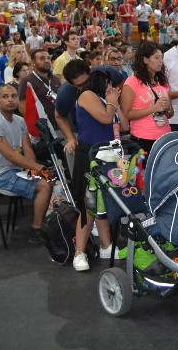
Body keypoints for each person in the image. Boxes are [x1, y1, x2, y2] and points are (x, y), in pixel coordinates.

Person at [0, 84, 54, 244]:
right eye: (5, 97)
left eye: (14, 96)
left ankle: (48, 223)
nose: (10, 100)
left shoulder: (20, 120)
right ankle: (36, 231)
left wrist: (34, 169)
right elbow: (10, 155)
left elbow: (27, 148)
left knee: (50, 177)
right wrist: (37, 168)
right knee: (44, 185)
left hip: (16, 170)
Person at [71, 70, 130, 271]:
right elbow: (105, 119)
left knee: (103, 204)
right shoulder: (87, 96)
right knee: (89, 204)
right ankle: (79, 252)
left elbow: (124, 125)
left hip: (109, 154)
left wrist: (116, 104)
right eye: (108, 84)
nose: (111, 88)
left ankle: (106, 245)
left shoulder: (108, 102)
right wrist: (112, 102)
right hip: (91, 155)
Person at [119, 42, 172, 152]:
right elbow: (126, 114)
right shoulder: (132, 82)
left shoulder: (162, 81)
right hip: (143, 137)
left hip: (164, 136)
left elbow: (170, 114)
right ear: (145, 60)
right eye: (156, 58)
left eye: (162, 57)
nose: (160, 61)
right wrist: (154, 108)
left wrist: (167, 108)